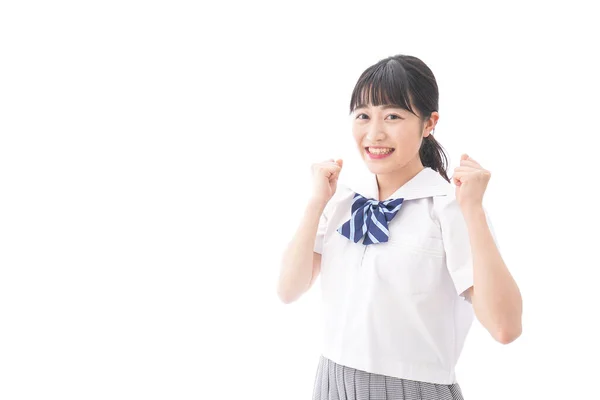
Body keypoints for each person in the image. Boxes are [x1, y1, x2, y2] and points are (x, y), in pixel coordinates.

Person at [277, 54, 523, 400]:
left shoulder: (449, 206)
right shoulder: (341, 200)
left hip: (412, 390)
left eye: (392, 116)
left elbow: (505, 327)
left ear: (428, 123)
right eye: (363, 116)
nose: (374, 133)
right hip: (331, 384)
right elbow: (288, 290)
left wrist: (474, 211)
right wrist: (315, 202)